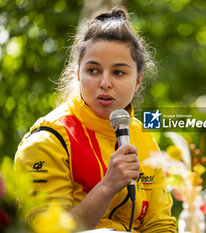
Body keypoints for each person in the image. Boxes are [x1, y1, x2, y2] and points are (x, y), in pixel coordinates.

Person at [14, 7, 177, 232]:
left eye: (119, 72)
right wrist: (108, 186)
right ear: (78, 74)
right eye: (93, 70)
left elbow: (160, 223)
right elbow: (47, 229)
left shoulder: (144, 138)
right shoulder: (48, 139)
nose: (105, 83)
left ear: (138, 80)